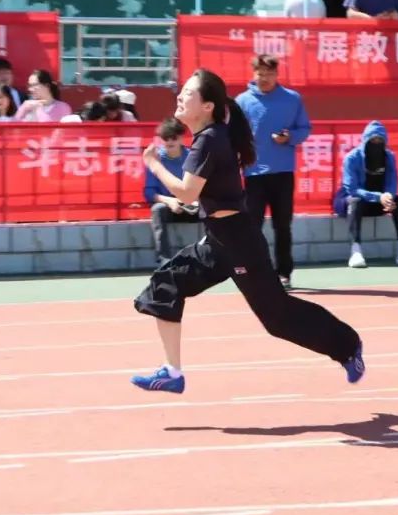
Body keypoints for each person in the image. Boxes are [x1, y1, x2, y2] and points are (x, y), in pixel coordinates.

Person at [130, 68, 365, 395]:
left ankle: (348, 346)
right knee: (165, 284)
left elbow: (187, 193)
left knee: (278, 318)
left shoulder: (210, 139)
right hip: (217, 239)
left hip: (239, 242)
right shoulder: (208, 137)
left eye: (188, 92)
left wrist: (154, 164)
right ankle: (172, 372)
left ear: (207, 106)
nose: (180, 96)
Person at [236, 54, 311, 289]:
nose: (265, 78)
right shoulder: (242, 101)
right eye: (261, 74)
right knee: (252, 226)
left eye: (269, 74)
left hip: (283, 172)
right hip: (253, 174)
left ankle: (284, 273)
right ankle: (253, 272)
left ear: (277, 74)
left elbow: (304, 128)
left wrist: (290, 137)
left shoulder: (292, 99)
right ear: (253, 74)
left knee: (282, 225)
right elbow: (233, 134)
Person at [335, 121, 398, 268]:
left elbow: (392, 181)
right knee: (355, 201)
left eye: (380, 140)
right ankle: (356, 252)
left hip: (378, 201)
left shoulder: (389, 157)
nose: (376, 143)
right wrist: (377, 197)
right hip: (350, 202)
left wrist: (388, 196)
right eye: (373, 140)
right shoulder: (352, 158)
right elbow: (352, 189)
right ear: (365, 140)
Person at [144, 117, 198, 265]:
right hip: (168, 205)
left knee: (213, 208)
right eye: (165, 138)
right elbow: (149, 193)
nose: (169, 141)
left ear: (181, 137)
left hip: (193, 204)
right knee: (157, 210)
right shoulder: (155, 160)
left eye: (173, 137)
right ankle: (164, 260)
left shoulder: (192, 157)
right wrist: (170, 201)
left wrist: (192, 201)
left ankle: (216, 254)